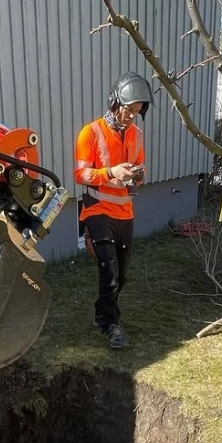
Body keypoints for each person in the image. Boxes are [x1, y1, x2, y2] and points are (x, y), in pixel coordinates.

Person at [73, 71, 152, 349]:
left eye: (137, 112)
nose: (131, 116)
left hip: (124, 212)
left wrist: (137, 175)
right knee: (109, 270)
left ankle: (103, 313)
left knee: (122, 274)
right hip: (96, 210)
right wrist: (110, 172)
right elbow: (80, 175)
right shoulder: (91, 132)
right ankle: (110, 324)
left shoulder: (137, 135)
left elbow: (139, 169)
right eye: (128, 110)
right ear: (114, 103)